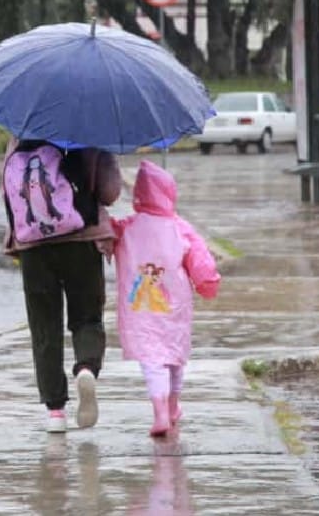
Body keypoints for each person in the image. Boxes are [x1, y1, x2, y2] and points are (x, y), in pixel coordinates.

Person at [3, 137, 123, 433]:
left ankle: (55, 411)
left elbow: (10, 192)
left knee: (44, 327)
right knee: (87, 317)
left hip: (33, 245)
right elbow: (109, 193)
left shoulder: (20, 134)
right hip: (81, 241)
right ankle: (86, 368)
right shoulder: (90, 131)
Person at [111, 160, 220, 437]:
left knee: (152, 358)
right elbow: (201, 261)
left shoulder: (127, 227)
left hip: (140, 308)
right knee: (173, 355)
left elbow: (105, 234)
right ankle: (172, 406)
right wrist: (207, 285)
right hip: (174, 306)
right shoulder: (180, 227)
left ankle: (160, 411)